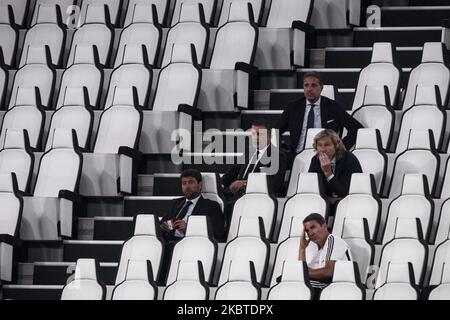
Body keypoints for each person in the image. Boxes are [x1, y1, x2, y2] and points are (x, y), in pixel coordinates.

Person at [275, 71, 363, 160]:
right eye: (306, 85)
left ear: (321, 87)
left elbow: (356, 128)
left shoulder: (333, 107)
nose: (309, 89)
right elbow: (275, 130)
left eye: (313, 85)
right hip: (296, 155)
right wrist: (278, 149)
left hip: (326, 155)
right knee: (275, 160)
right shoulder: (293, 107)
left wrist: (339, 148)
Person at [220, 118, 287, 200]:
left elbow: (274, 184)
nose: (255, 138)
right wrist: (220, 185)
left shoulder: (278, 156)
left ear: (269, 137)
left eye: (259, 134)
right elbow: (231, 173)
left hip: (259, 197)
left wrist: (245, 184)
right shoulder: (248, 151)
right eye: (253, 134)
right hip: (237, 195)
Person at [299, 213, 352, 299]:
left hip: (340, 289)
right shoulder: (319, 252)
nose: (310, 233)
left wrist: (302, 273)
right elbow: (302, 269)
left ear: (324, 226)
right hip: (326, 288)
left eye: (313, 227)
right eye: (307, 231)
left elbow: (328, 271)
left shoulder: (333, 240)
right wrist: (302, 248)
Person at [160, 169, 225, 241]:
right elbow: (163, 223)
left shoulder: (212, 206)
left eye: (191, 182)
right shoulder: (176, 203)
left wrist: (188, 228)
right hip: (169, 242)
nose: (187, 187)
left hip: (193, 243)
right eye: (184, 183)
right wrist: (165, 227)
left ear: (200, 185)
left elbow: (218, 232)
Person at [308, 129, 362, 206]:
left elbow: (343, 192)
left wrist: (328, 173)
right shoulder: (315, 160)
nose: (323, 150)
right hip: (326, 202)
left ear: (336, 146)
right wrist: (327, 199)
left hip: (349, 203)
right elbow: (312, 188)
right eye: (320, 145)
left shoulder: (349, 159)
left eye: (327, 145)